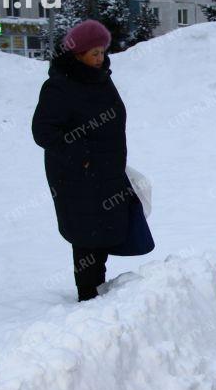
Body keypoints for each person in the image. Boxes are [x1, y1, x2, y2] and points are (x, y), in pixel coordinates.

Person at [32, 20, 145, 302]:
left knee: (105, 229)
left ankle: (98, 294)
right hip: (75, 176)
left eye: (103, 52)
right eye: (94, 53)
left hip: (107, 170)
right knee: (86, 235)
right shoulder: (59, 86)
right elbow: (44, 132)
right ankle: (88, 298)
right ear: (77, 53)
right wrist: (82, 157)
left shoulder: (101, 79)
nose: (100, 58)